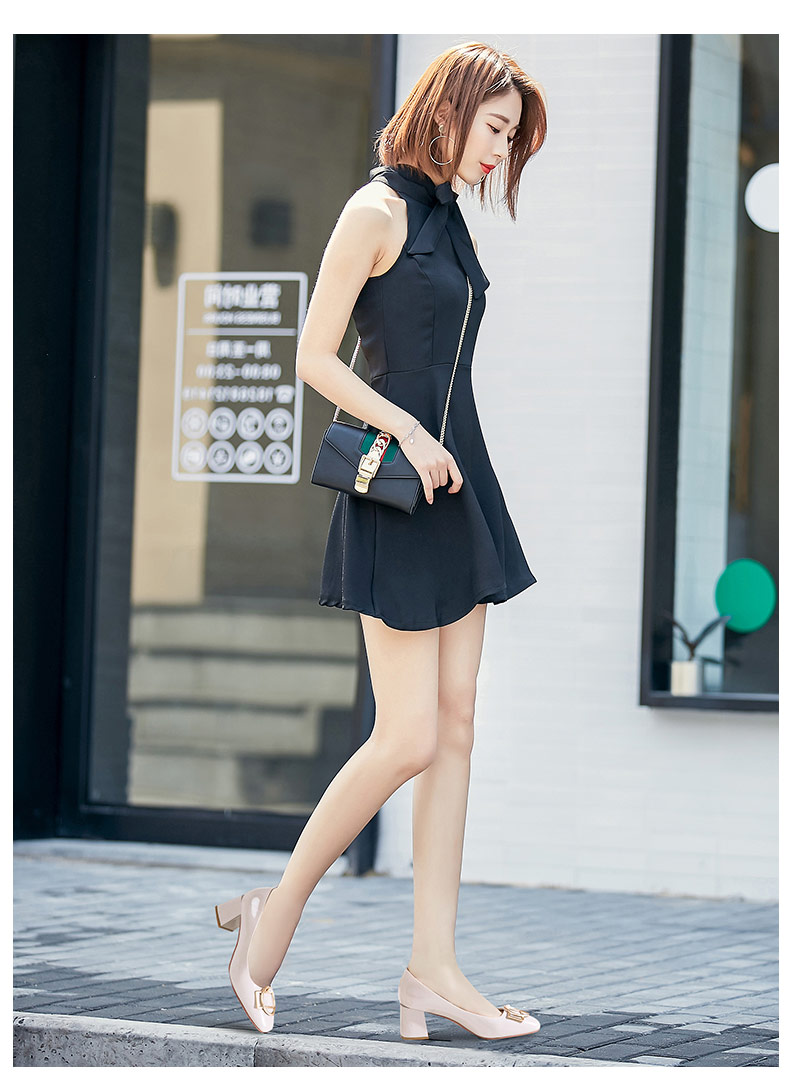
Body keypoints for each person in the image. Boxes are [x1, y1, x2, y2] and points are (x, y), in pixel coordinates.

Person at [215, 40, 547, 1041]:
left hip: (458, 482)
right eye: (496, 129)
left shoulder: (447, 217)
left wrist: (441, 444)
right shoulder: (377, 210)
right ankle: (270, 917)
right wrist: (407, 430)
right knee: (406, 734)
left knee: (456, 725)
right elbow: (315, 355)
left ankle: (432, 971)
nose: (499, 153)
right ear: (450, 108)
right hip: (397, 487)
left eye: (511, 140)